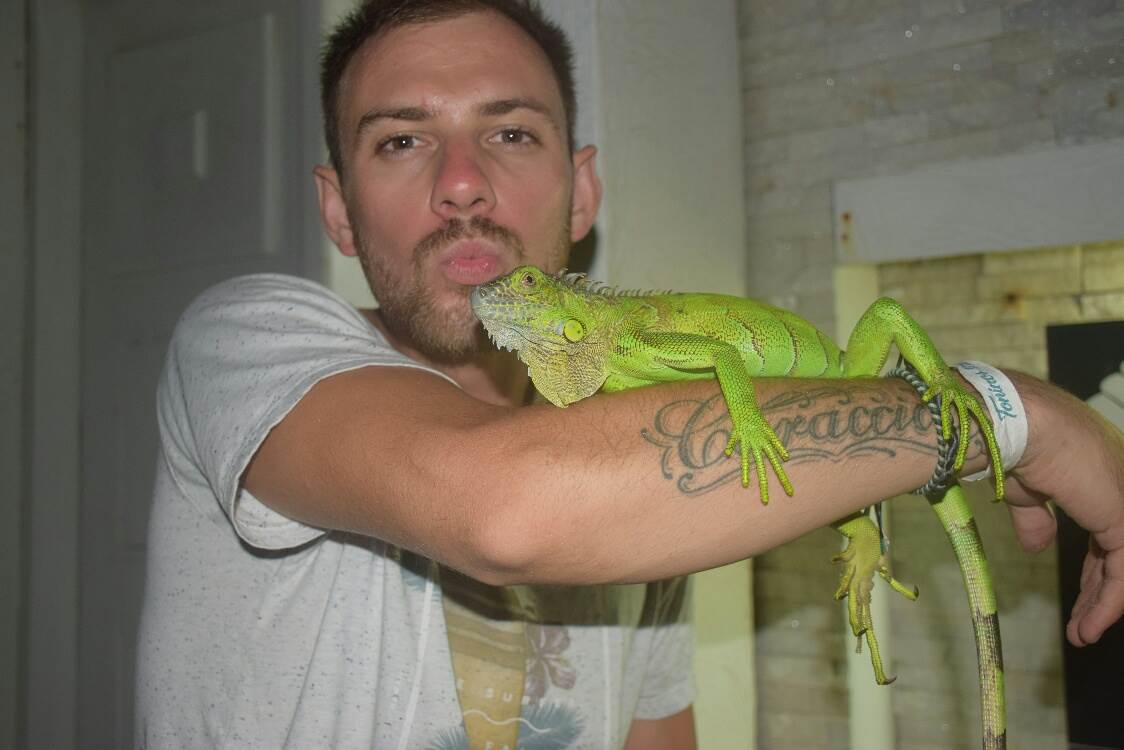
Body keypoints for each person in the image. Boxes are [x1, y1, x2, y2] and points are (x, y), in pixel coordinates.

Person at [134, 0, 1124, 748]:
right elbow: (504, 510)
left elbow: (657, 729)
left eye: (510, 132)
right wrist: (1011, 411)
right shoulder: (249, 336)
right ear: (338, 208)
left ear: (584, 190)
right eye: (400, 140)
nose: (462, 180)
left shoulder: (635, 445)